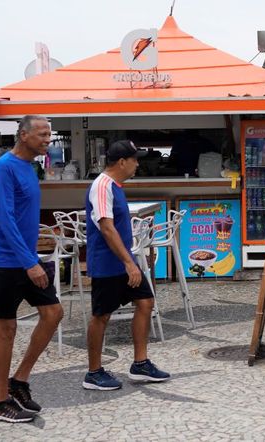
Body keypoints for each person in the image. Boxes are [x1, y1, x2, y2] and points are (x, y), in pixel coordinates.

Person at [0, 115, 63, 423]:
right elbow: (5, 217)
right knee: (7, 328)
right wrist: (29, 262)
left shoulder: (30, 167)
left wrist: (31, 257)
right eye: (42, 134)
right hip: (3, 261)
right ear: (24, 135)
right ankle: (0, 402)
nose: (47, 140)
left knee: (53, 313)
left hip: (25, 257)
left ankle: (19, 380)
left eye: (49, 134)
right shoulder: (4, 167)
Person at [82, 140, 170, 390]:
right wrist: (129, 263)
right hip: (107, 263)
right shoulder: (101, 186)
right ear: (122, 162)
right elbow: (107, 228)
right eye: (134, 160)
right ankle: (93, 372)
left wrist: (130, 260)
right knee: (101, 315)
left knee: (145, 302)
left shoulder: (116, 186)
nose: (137, 164)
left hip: (123, 260)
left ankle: (140, 364)